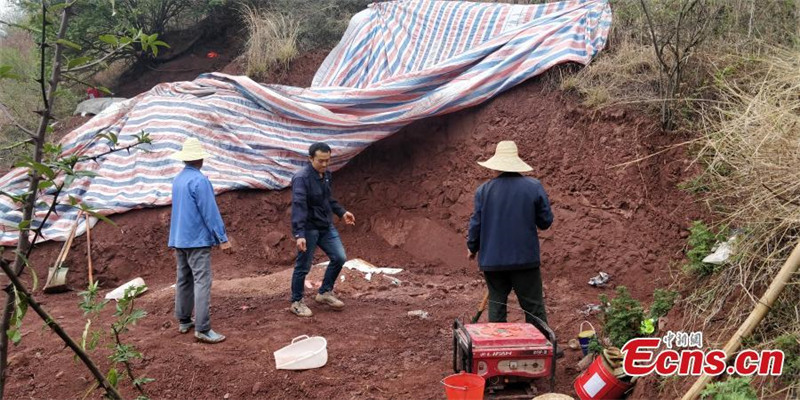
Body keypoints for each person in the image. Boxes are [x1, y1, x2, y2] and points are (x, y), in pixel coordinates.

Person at [467, 140, 554, 325]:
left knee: (497, 305)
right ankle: (542, 346)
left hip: (493, 261)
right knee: (533, 307)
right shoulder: (533, 186)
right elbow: (545, 222)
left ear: (496, 166)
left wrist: (472, 247)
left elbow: (476, 224)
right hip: (525, 260)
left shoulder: (483, 191)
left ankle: (498, 349)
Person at [168, 138, 233, 344]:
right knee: (202, 282)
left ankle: (184, 320)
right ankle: (203, 328)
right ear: (200, 159)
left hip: (180, 239)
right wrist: (222, 238)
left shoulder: (178, 179)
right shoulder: (200, 181)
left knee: (183, 279)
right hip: (197, 241)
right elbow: (209, 211)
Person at [290, 142, 356, 317]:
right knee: (303, 266)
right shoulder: (301, 178)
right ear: (310, 158)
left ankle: (325, 292)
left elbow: (327, 199)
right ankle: (297, 302)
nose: (325, 165)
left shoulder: (326, 175)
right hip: (309, 229)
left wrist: (341, 212)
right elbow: (298, 206)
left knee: (339, 257)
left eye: (328, 160)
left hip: (326, 226)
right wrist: (299, 233)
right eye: (321, 161)